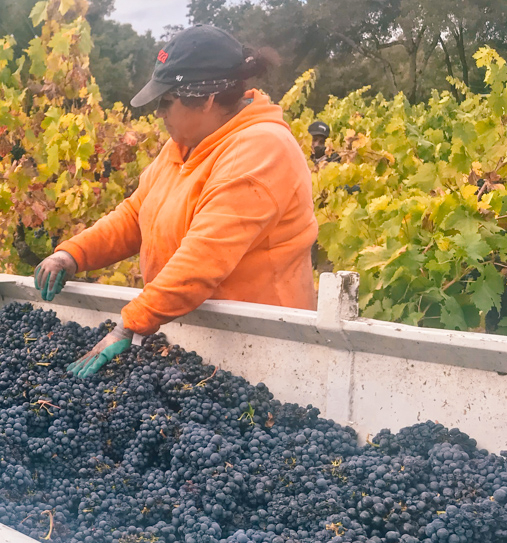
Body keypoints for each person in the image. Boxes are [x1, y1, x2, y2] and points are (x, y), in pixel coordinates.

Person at [33, 25, 318, 378]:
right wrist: (73, 254)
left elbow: (203, 258)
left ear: (208, 99)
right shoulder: (186, 143)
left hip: (264, 349)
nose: (158, 113)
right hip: (199, 336)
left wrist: (130, 324)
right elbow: (137, 213)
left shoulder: (262, 149)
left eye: (166, 102)